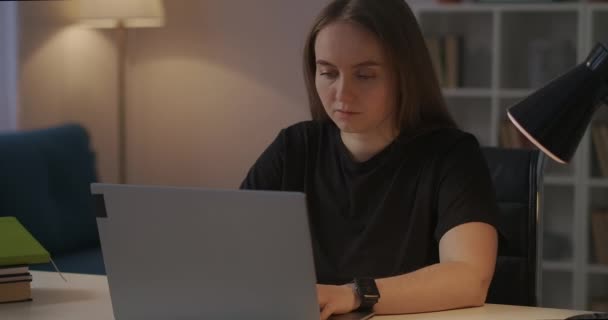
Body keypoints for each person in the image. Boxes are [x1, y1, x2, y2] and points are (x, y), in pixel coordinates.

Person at [240, 0, 499, 319]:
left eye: (365, 75)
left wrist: (354, 295)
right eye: (328, 73)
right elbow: (234, 250)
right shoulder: (293, 148)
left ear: (406, 75)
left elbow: (469, 278)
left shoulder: (451, 154)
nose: (342, 93)